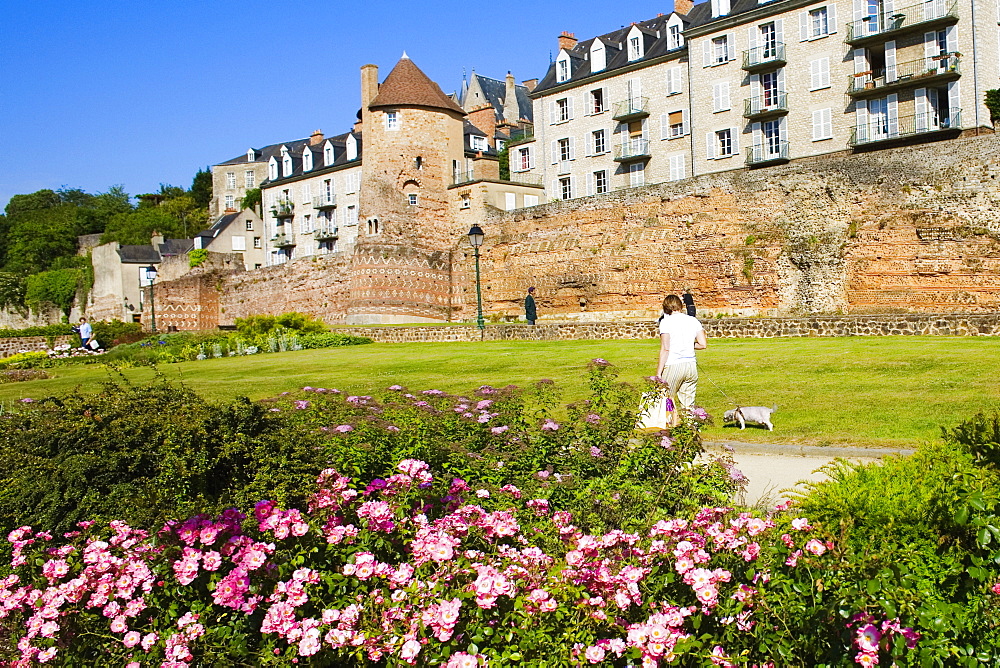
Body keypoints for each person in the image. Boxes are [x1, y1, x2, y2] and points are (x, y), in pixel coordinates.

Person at [656, 294, 706, 425]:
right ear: (680, 306)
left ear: (665, 307)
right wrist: (688, 344)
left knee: (666, 399)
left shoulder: (666, 322)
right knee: (688, 404)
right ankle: (691, 431)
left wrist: (658, 373)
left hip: (674, 364)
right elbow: (702, 344)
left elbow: (665, 349)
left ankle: (668, 428)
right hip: (690, 365)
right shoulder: (693, 320)